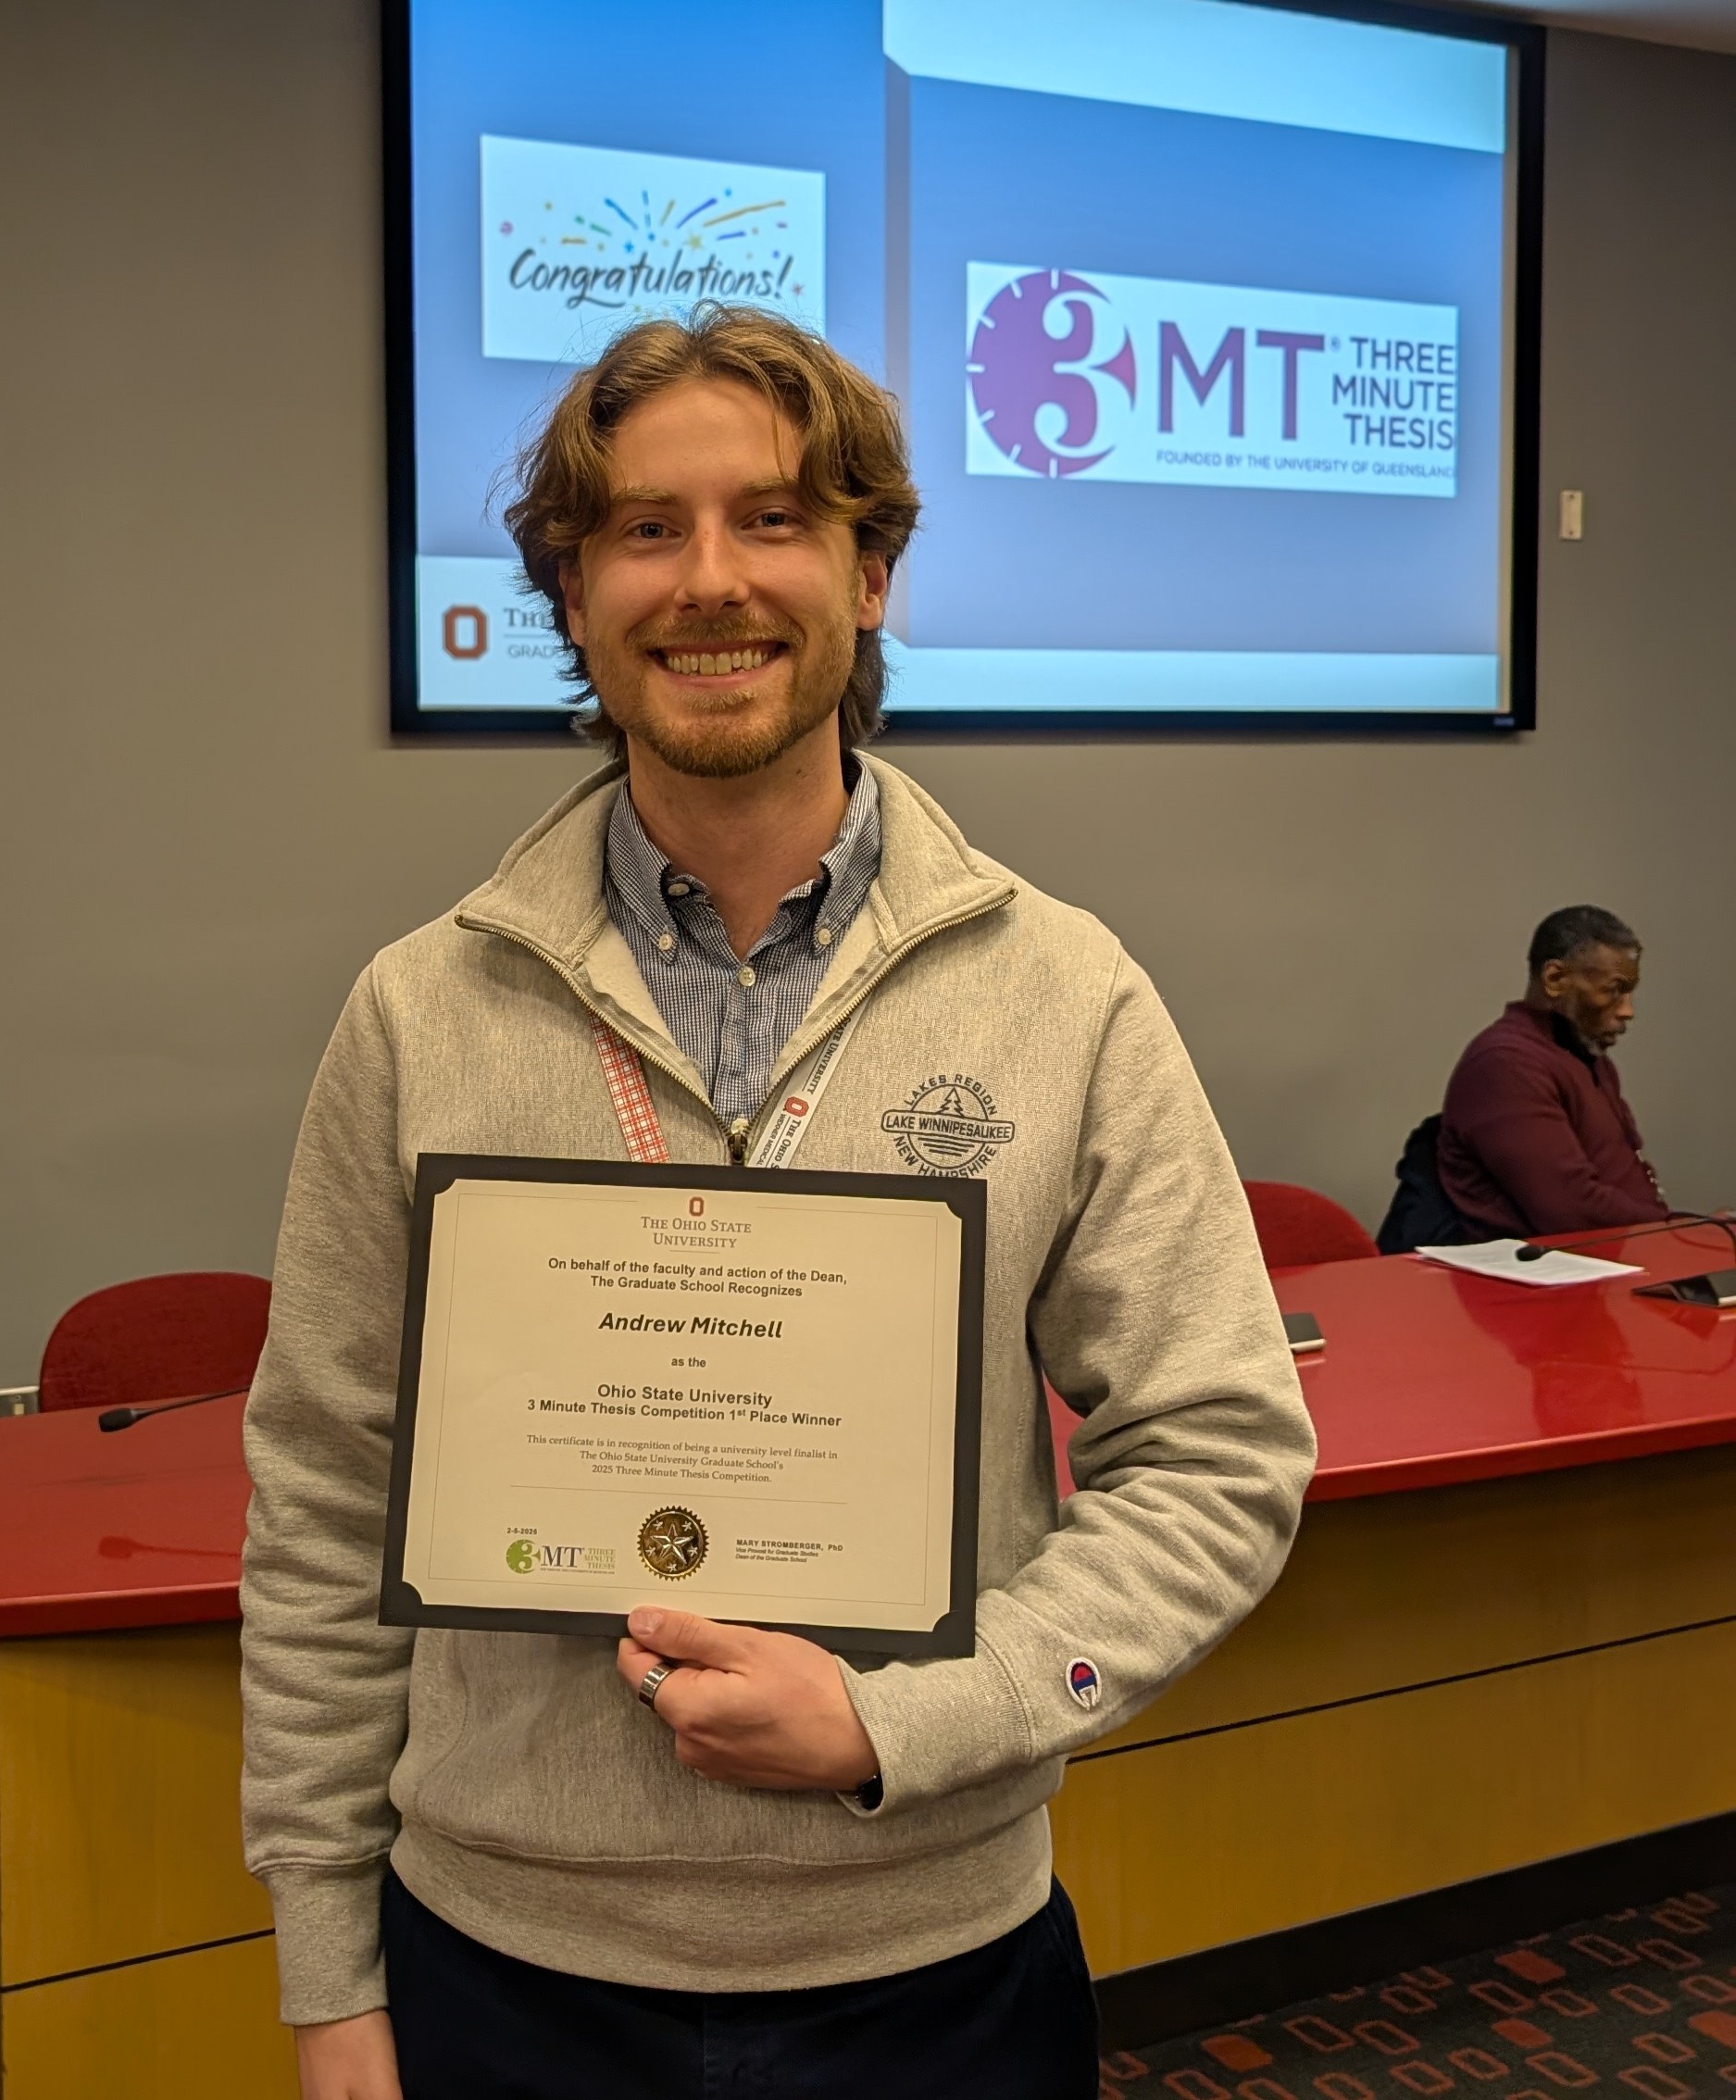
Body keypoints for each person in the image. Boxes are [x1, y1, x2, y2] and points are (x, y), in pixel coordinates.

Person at [239, 306, 1316, 2100]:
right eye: (646, 530)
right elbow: (324, 1508)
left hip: (935, 1964)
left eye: (776, 519)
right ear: (571, 596)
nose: (709, 582)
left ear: (873, 569)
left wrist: (917, 1722)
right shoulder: (421, 1012)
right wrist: (327, 1979)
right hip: (500, 1963)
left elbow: (1222, 1457)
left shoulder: (1066, 994)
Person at [1438, 906, 1667, 1239]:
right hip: (1555, 1280)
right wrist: (1678, 1230)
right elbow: (1572, 1210)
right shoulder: (1506, 1063)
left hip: (1622, 1263)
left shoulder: (1585, 1057)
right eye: (1615, 989)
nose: (1627, 1011)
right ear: (1555, 980)